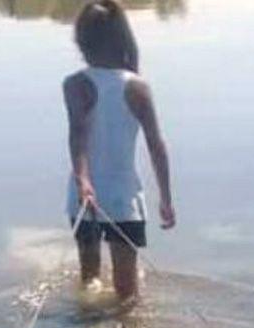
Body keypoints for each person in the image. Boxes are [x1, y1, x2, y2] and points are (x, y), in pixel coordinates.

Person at [63, 0, 175, 302]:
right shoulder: (138, 87)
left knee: (90, 282)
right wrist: (166, 198)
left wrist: (83, 181)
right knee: (127, 293)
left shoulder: (75, 85)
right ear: (121, 39)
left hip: (83, 200)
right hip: (124, 200)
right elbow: (157, 146)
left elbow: (78, 138)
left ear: (81, 42)